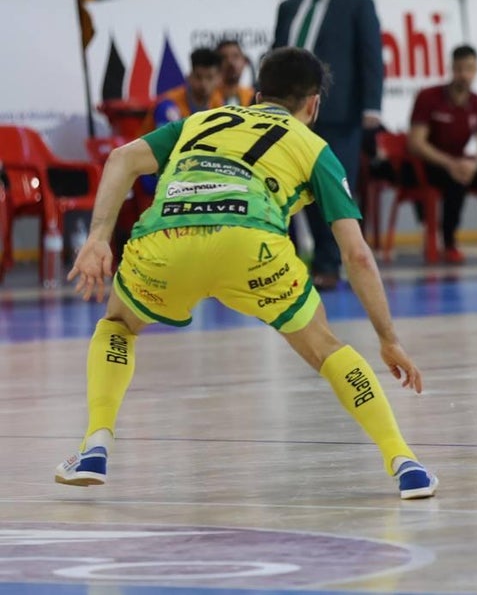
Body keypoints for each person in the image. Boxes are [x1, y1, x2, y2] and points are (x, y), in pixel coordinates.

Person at [55, 46, 437, 500]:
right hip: (251, 245)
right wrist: (388, 337)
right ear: (313, 104)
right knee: (326, 348)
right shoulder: (314, 147)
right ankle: (404, 462)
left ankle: (96, 443)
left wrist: (98, 238)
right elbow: (357, 256)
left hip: (168, 239)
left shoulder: (203, 120)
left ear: (257, 95)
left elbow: (121, 158)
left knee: (117, 326)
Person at [273, 0, 383, 291]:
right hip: (289, 114)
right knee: (290, 188)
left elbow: (371, 58)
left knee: (331, 190)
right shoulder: (288, 6)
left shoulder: (356, 4)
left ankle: (330, 264)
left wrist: (371, 107)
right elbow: (276, 58)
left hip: (338, 113)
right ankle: (289, 264)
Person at [409, 45, 477, 262]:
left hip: (462, 163)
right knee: (456, 178)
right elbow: (416, 143)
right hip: (432, 164)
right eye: (460, 69)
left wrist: (474, 165)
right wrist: (450, 164)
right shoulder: (429, 97)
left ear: (476, 70)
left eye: (470, 69)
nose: (464, 74)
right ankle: (449, 243)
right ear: (452, 69)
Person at [152, 47, 224, 128]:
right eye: (198, 77)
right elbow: (164, 139)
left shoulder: (220, 104)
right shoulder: (169, 105)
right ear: (189, 77)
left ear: (219, 79)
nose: (203, 83)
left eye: (209, 78)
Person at [217, 38, 255, 103]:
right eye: (224, 58)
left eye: (235, 56)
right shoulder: (207, 98)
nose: (230, 62)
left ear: (245, 62)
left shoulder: (252, 96)